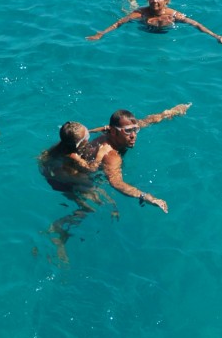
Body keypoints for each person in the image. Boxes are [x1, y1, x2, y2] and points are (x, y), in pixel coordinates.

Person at [72, 103, 193, 212]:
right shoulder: (111, 155)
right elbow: (116, 182)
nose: (133, 135)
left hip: (82, 159)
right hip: (78, 179)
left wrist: (170, 112)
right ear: (113, 131)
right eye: (128, 131)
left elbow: (147, 121)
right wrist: (144, 196)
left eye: (135, 130)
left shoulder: (112, 131)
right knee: (93, 209)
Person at [38, 122, 118, 263]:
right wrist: (101, 153)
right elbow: (91, 169)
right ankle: (59, 225)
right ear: (79, 143)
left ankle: (60, 232)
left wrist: (105, 128)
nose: (88, 135)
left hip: (52, 176)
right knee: (92, 206)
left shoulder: (62, 144)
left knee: (85, 202)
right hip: (65, 179)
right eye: (86, 136)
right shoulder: (73, 155)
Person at [87, 0, 222, 44]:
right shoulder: (140, 13)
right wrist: (101, 33)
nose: (154, 0)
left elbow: (196, 24)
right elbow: (119, 23)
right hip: (143, 21)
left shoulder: (174, 15)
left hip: (158, 28)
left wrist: (216, 36)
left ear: (165, 0)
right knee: (130, 10)